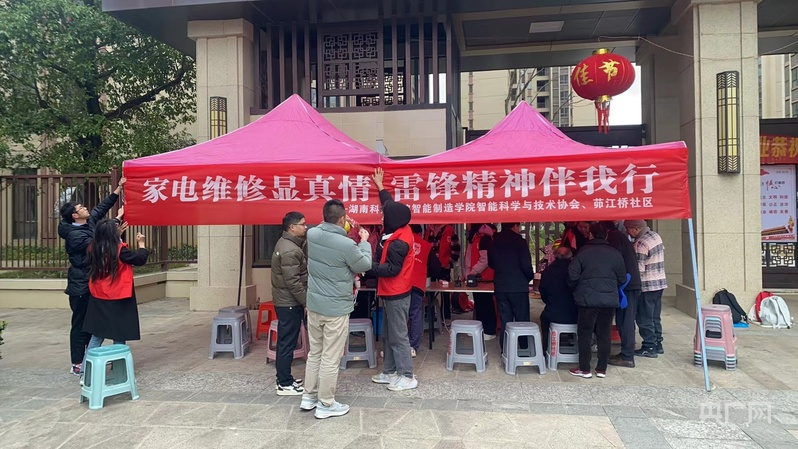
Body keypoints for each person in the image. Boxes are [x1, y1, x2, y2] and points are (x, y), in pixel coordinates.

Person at [302, 200, 372, 419]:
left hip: (315, 305)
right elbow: (364, 265)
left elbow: (326, 231)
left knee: (315, 353)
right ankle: (326, 403)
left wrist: (341, 226)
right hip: (335, 308)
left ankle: (309, 396)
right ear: (342, 219)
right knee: (331, 358)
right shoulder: (346, 245)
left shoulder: (312, 234)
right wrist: (364, 242)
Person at [58, 177, 126, 376]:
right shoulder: (74, 235)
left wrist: (118, 189)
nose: (86, 208)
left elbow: (101, 208)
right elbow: (98, 245)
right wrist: (115, 223)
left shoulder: (87, 223)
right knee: (80, 325)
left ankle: (90, 357)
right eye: (81, 207)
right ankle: (77, 362)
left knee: (92, 323)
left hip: (92, 282)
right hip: (80, 286)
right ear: (74, 215)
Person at [369, 168, 418, 391]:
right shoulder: (395, 227)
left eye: (384, 216)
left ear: (391, 220)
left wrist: (368, 267)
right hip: (389, 292)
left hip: (397, 293)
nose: (381, 217)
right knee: (388, 335)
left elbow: (391, 269)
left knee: (398, 335)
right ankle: (389, 372)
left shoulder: (400, 241)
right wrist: (380, 185)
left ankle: (407, 375)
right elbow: (389, 203)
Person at [83, 219, 149, 370]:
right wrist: (142, 244)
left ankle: (86, 372)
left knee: (96, 336)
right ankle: (119, 370)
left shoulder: (92, 248)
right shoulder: (120, 250)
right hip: (118, 296)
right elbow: (140, 259)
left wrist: (117, 232)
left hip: (99, 295)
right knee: (119, 334)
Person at [567, 223, 626, 379]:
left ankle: (584, 369)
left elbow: (572, 275)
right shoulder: (615, 254)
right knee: (604, 334)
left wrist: (577, 288)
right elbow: (622, 278)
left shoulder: (583, 252)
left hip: (587, 300)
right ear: (606, 235)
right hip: (609, 300)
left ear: (591, 235)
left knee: (585, 334)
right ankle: (601, 369)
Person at [271, 211, 308, 395]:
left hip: (286, 301)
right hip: (289, 303)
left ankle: (284, 377)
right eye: (302, 224)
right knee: (287, 343)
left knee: (287, 341)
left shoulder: (289, 244)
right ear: (292, 227)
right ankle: (284, 383)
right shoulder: (290, 250)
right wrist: (306, 302)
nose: (305, 227)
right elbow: (293, 282)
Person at [488, 223, 535, 352]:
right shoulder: (520, 242)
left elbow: (491, 263)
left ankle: (505, 350)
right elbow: (526, 265)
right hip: (518, 286)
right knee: (522, 319)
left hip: (501, 285)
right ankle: (523, 349)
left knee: (505, 320)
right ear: (515, 226)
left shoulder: (494, 241)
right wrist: (528, 278)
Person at [601, 221, 642, 368]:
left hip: (628, 285)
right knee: (622, 320)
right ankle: (625, 353)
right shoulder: (618, 236)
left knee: (626, 321)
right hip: (628, 283)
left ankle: (627, 356)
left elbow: (615, 261)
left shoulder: (614, 237)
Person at [624, 220, 667, 358]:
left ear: (636, 228)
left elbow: (639, 269)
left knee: (644, 318)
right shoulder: (655, 236)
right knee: (655, 316)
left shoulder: (640, 244)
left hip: (647, 286)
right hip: (659, 283)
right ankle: (658, 344)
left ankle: (649, 346)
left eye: (628, 229)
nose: (627, 232)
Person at [409, 224, 442, 357]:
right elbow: (437, 267)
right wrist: (425, 272)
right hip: (418, 284)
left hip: (402, 284)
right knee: (415, 314)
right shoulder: (426, 245)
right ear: (421, 233)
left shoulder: (402, 242)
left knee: (400, 315)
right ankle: (413, 346)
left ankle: (399, 345)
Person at [538, 246, 578, 352]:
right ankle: (570, 343)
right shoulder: (576, 270)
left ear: (555, 256)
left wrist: (551, 302)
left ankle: (546, 348)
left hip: (553, 313)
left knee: (544, 318)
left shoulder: (548, 271)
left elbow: (543, 292)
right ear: (571, 256)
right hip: (574, 314)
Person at [466, 224, 498, 340]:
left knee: (486, 304)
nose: (467, 225)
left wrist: (473, 272)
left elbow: (485, 260)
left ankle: (489, 331)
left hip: (485, 278)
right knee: (479, 304)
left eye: (469, 223)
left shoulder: (485, 238)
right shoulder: (475, 238)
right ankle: (480, 329)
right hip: (477, 277)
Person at [426, 223, 460, 320]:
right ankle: (430, 316)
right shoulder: (429, 230)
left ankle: (445, 317)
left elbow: (456, 250)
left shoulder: (450, 231)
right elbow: (425, 246)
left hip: (444, 267)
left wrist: (449, 263)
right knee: (429, 293)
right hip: (431, 267)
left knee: (445, 293)